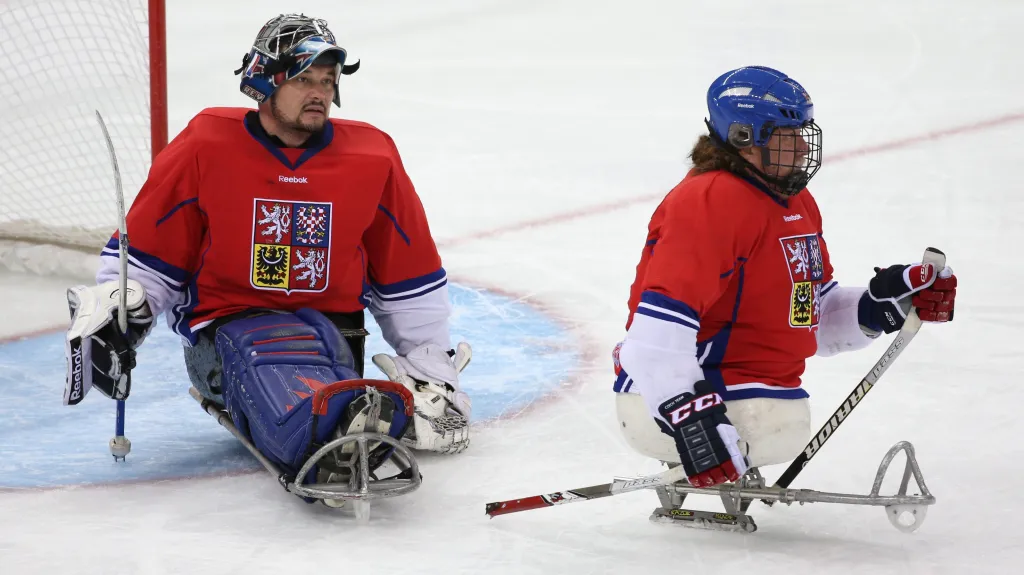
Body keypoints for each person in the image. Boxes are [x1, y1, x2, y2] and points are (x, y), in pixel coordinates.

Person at [61, 14, 473, 500]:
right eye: (303, 78)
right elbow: (152, 256)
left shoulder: (372, 156)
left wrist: (430, 370)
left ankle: (346, 410)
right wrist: (124, 301)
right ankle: (326, 430)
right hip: (227, 332)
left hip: (335, 331)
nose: (319, 91)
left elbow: (408, 275)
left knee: (328, 360)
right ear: (264, 80)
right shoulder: (205, 144)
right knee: (269, 351)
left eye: (327, 79)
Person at [611, 66, 957, 488]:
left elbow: (812, 318)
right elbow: (655, 336)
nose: (798, 148)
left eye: (800, 135)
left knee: (781, 418)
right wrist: (691, 416)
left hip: (750, 398)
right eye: (784, 136)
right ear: (743, 137)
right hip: (679, 400)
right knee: (777, 419)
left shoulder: (794, 201)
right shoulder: (710, 200)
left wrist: (884, 303)